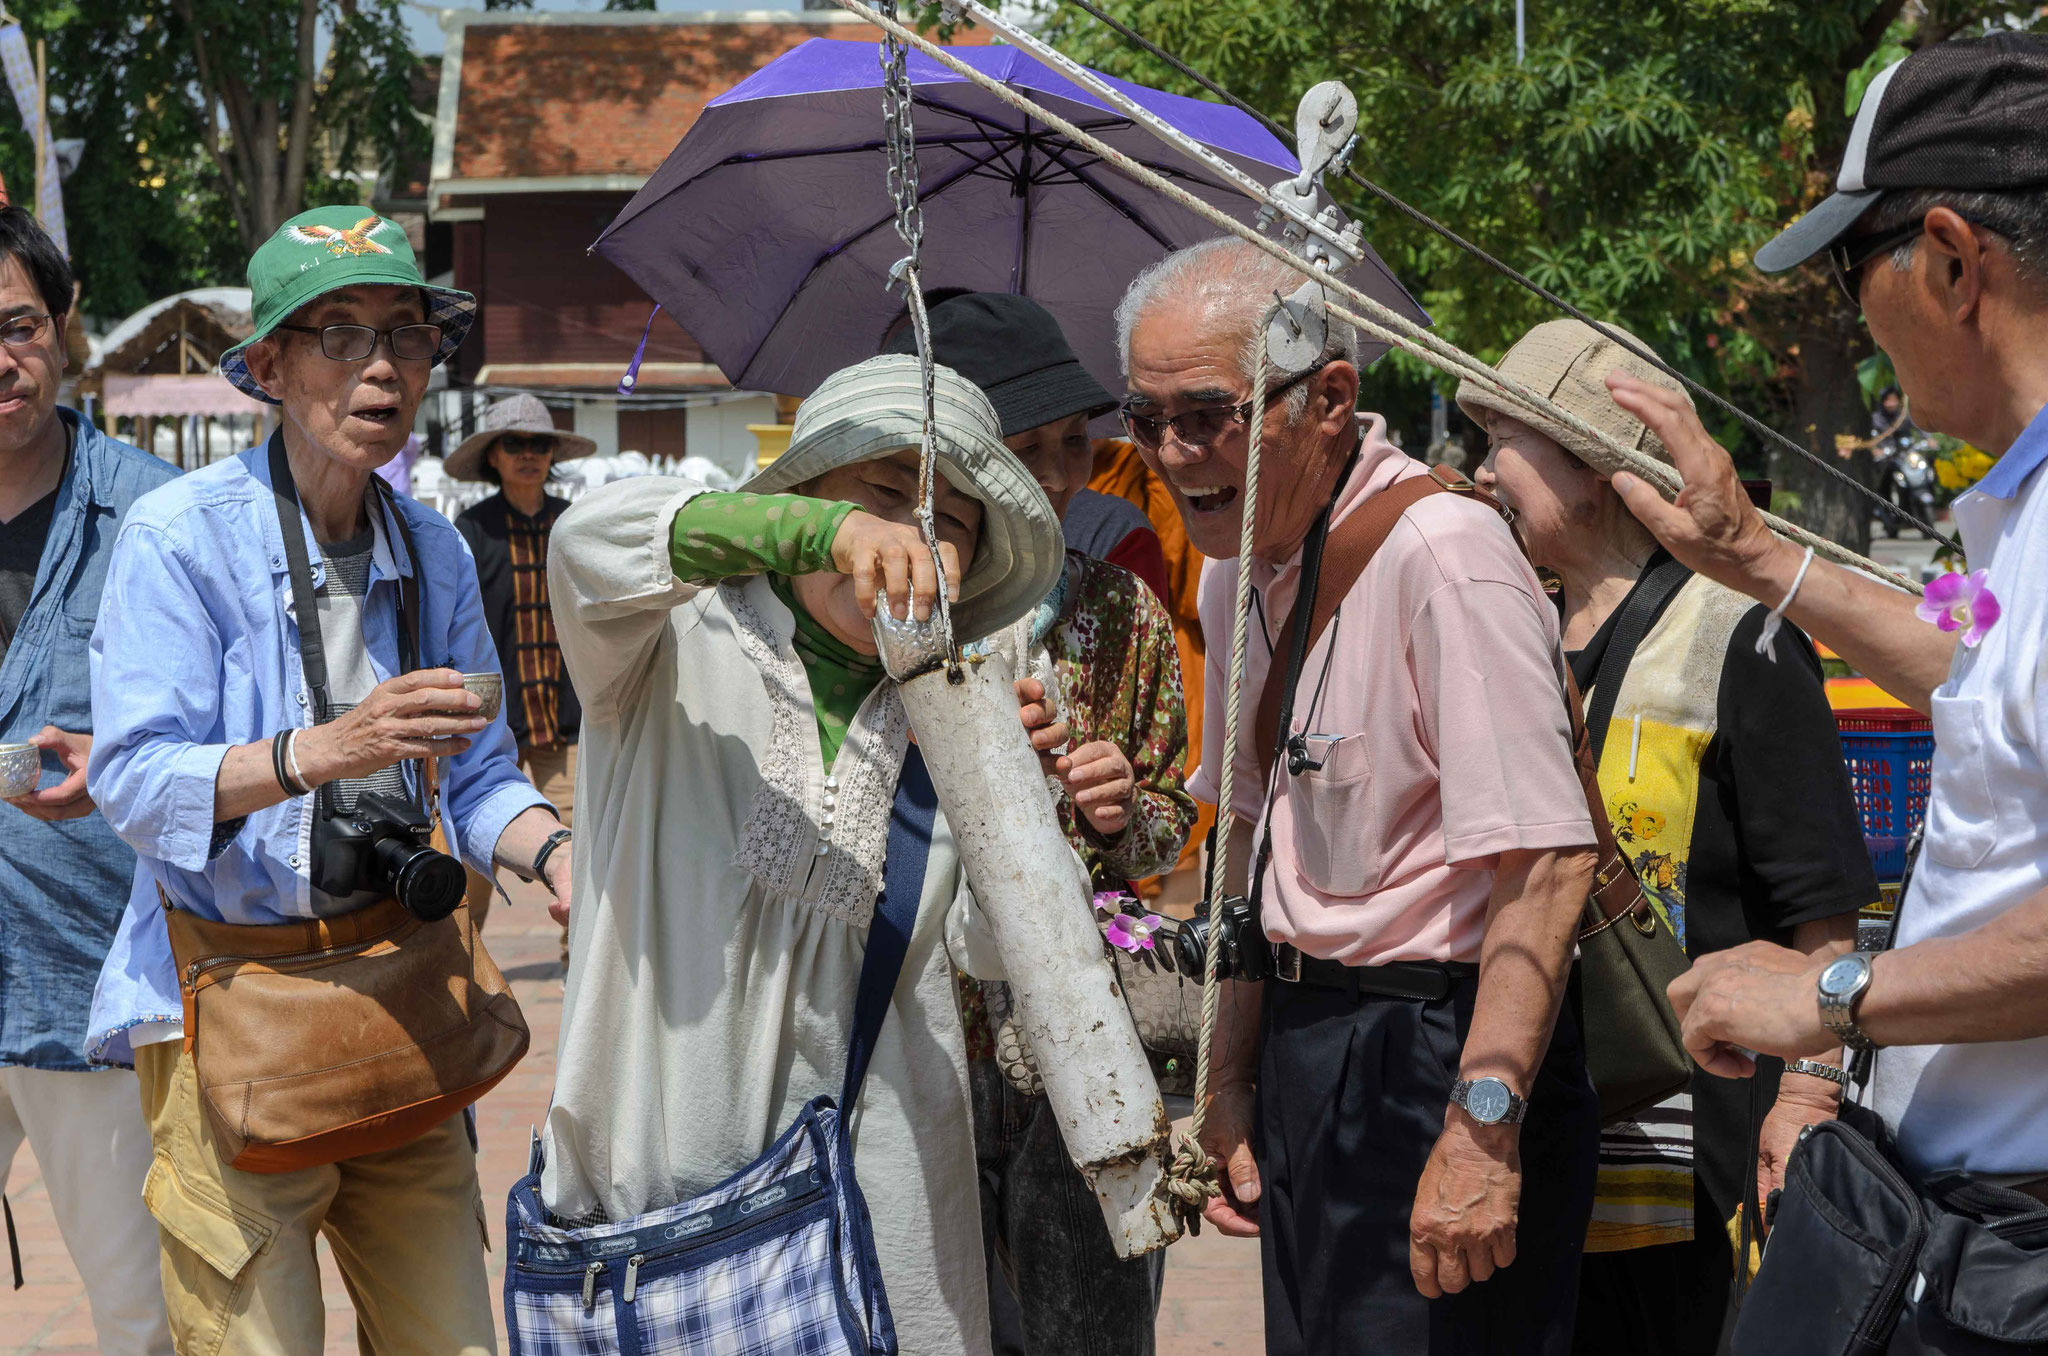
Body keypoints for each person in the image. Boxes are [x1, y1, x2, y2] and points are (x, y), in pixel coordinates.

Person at [82, 206, 570, 1354]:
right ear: (267, 368)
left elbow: (484, 774)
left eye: (405, 334)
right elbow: (136, 785)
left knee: (451, 1333)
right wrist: (322, 750)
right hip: (230, 1018)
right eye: (338, 335)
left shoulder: (435, 549)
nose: (383, 366)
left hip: (400, 998)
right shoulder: (179, 535)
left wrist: (554, 852)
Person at [1117, 236, 1602, 1354]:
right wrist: (1227, 1074)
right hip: (1305, 1039)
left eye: (1204, 414)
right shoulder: (1241, 556)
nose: (1171, 453)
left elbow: (1546, 859)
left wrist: (1481, 1131)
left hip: (1438, 1049)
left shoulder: (1445, 554)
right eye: (1143, 422)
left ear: (1328, 397)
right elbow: (1245, 832)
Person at [540, 355, 1081, 1355]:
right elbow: (586, 544)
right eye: (882, 496)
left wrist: (1017, 799)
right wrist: (827, 536)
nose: (910, 542)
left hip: (879, 1243)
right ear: (798, 497)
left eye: (950, 525)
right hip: (659, 1223)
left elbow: (1000, 954)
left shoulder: (955, 711)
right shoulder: (669, 646)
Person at [1599, 33, 2048, 1198]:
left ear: (1949, 261)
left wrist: (1827, 997)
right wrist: (1751, 554)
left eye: (1853, 268)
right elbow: (1982, 688)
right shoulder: (2026, 498)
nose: (1850, 321)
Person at [1462, 319, 1876, 1354]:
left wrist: (1808, 1097)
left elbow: (1819, 908)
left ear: (1596, 468)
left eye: (1503, 438)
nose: (1479, 469)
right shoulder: (1506, 628)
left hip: (1687, 1156)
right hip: (1534, 1131)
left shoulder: (1737, 632)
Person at [891, 291, 1196, 1355]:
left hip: (1077, 1022)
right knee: (934, 1313)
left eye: (1074, 441)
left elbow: (1167, 829)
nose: (1062, 473)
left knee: (1089, 1322)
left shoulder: (1117, 608)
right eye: (1027, 447)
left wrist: (1118, 812)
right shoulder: (879, 622)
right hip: (914, 1018)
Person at [0, 206, 175, 1355]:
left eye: (15, 324)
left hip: (92, 985)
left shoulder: (155, 514)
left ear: (63, 327)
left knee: (139, 1313)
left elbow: (222, 729)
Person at [449, 392, 593, 933]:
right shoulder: (470, 531)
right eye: (515, 444)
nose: (528, 455)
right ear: (493, 455)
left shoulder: (575, 525)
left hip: (568, 717)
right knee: (475, 860)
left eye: (540, 445)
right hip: (489, 725)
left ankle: (578, 973)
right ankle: (465, 968)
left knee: (582, 855)